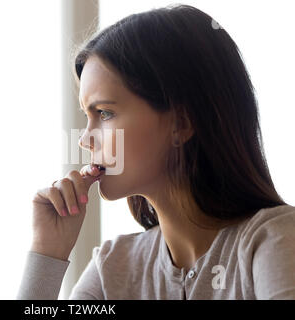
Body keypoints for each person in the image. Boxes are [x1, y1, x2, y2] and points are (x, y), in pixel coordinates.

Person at [17, 4, 295, 300]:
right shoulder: (111, 269)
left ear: (182, 123)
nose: (85, 139)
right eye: (88, 115)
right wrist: (48, 252)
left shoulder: (274, 241)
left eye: (105, 113)